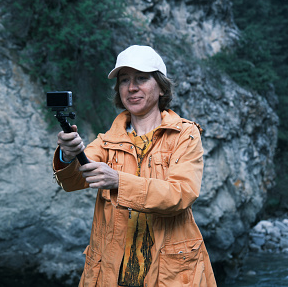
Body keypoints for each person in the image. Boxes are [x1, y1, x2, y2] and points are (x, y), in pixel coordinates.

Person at [53, 45, 217, 287]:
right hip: (110, 276)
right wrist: (68, 154)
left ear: (161, 87)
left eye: (141, 78)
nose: (132, 87)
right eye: (124, 80)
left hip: (170, 276)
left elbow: (181, 194)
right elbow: (74, 180)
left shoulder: (185, 134)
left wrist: (118, 181)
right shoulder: (107, 140)